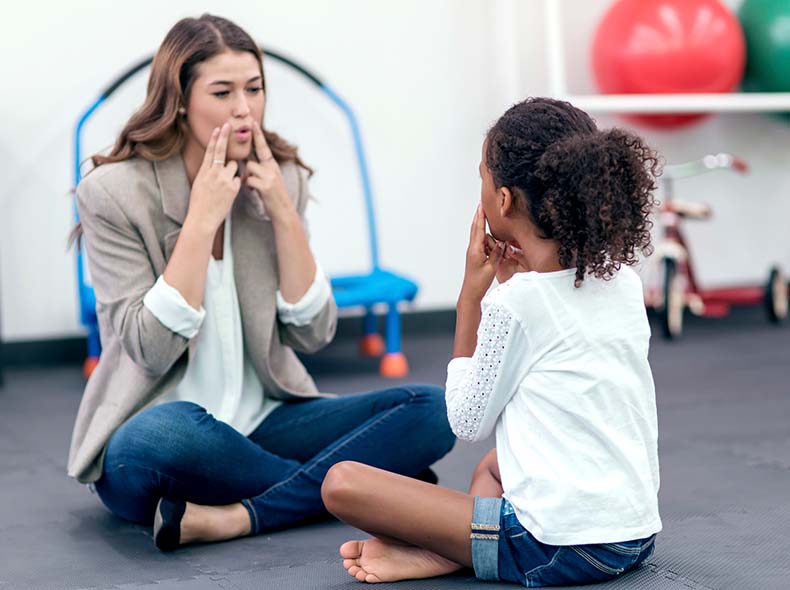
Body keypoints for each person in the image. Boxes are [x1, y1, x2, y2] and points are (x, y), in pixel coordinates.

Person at [67, 13, 454, 552]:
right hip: (160, 429)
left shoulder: (281, 177)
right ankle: (360, 487)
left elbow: (313, 334)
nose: (244, 108)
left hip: (264, 420)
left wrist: (280, 209)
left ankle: (240, 515)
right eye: (222, 92)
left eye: (254, 89)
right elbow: (149, 350)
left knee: (433, 409)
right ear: (179, 100)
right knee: (164, 434)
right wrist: (202, 218)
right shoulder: (113, 192)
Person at [321, 97, 662, 587]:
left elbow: (467, 419)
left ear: (502, 200)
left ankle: (452, 551)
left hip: (557, 549)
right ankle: (458, 549)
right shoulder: (623, 282)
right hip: (633, 537)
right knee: (495, 467)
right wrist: (509, 289)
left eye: (482, 176)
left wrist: (471, 298)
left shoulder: (516, 303)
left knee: (343, 483)